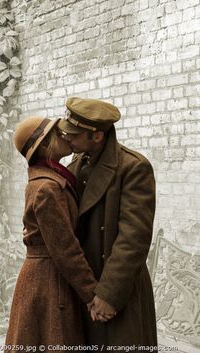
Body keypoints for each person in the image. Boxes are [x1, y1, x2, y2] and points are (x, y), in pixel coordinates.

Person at [57, 97, 157, 350]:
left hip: (118, 289)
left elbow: (133, 239)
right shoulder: (75, 165)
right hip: (87, 290)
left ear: (97, 136)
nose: (67, 138)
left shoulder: (133, 167)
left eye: (74, 134)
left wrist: (109, 296)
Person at [4, 116, 98, 353]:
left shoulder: (50, 179)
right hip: (47, 282)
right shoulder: (47, 187)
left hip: (45, 277)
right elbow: (64, 247)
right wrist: (92, 294)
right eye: (57, 133)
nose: (65, 135)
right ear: (44, 146)